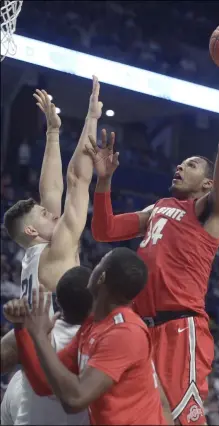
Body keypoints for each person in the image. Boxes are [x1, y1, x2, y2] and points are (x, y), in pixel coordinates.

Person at [87, 39, 219, 425]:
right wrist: (103, 183)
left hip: (179, 330)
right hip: (139, 328)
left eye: (190, 165)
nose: (179, 169)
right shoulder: (160, 208)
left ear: (207, 183)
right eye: (180, 164)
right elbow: (104, 230)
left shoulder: (210, 211)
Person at [1, 76, 102, 425]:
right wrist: (91, 118)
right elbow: (76, 181)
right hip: (61, 356)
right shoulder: (56, 252)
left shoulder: (33, 255)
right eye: (44, 215)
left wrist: (53, 132)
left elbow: (51, 190)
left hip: (27, 373)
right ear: (32, 230)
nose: (50, 209)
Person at [4, 248, 173, 425]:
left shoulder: (125, 333)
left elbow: (74, 400)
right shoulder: (93, 324)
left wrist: (39, 335)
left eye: (98, 265)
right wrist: (23, 328)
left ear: (101, 278)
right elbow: (43, 383)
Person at [1, 266, 93, 425]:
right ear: (96, 303)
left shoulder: (32, 331)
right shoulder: (104, 338)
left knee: (17, 383)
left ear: (57, 301)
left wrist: (20, 325)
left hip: (26, 417)